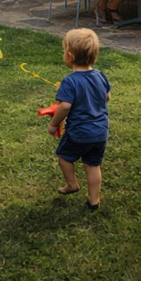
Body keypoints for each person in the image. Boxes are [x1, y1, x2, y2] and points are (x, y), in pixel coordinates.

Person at [47, 28, 110, 211]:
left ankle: (72, 184)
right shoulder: (100, 76)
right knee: (93, 165)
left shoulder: (70, 81)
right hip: (100, 132)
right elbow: (107, 97)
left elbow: (65, 107)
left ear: (70, 56)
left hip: (79, 133)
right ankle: (93, 200)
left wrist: (53, 124)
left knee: (64, 158)